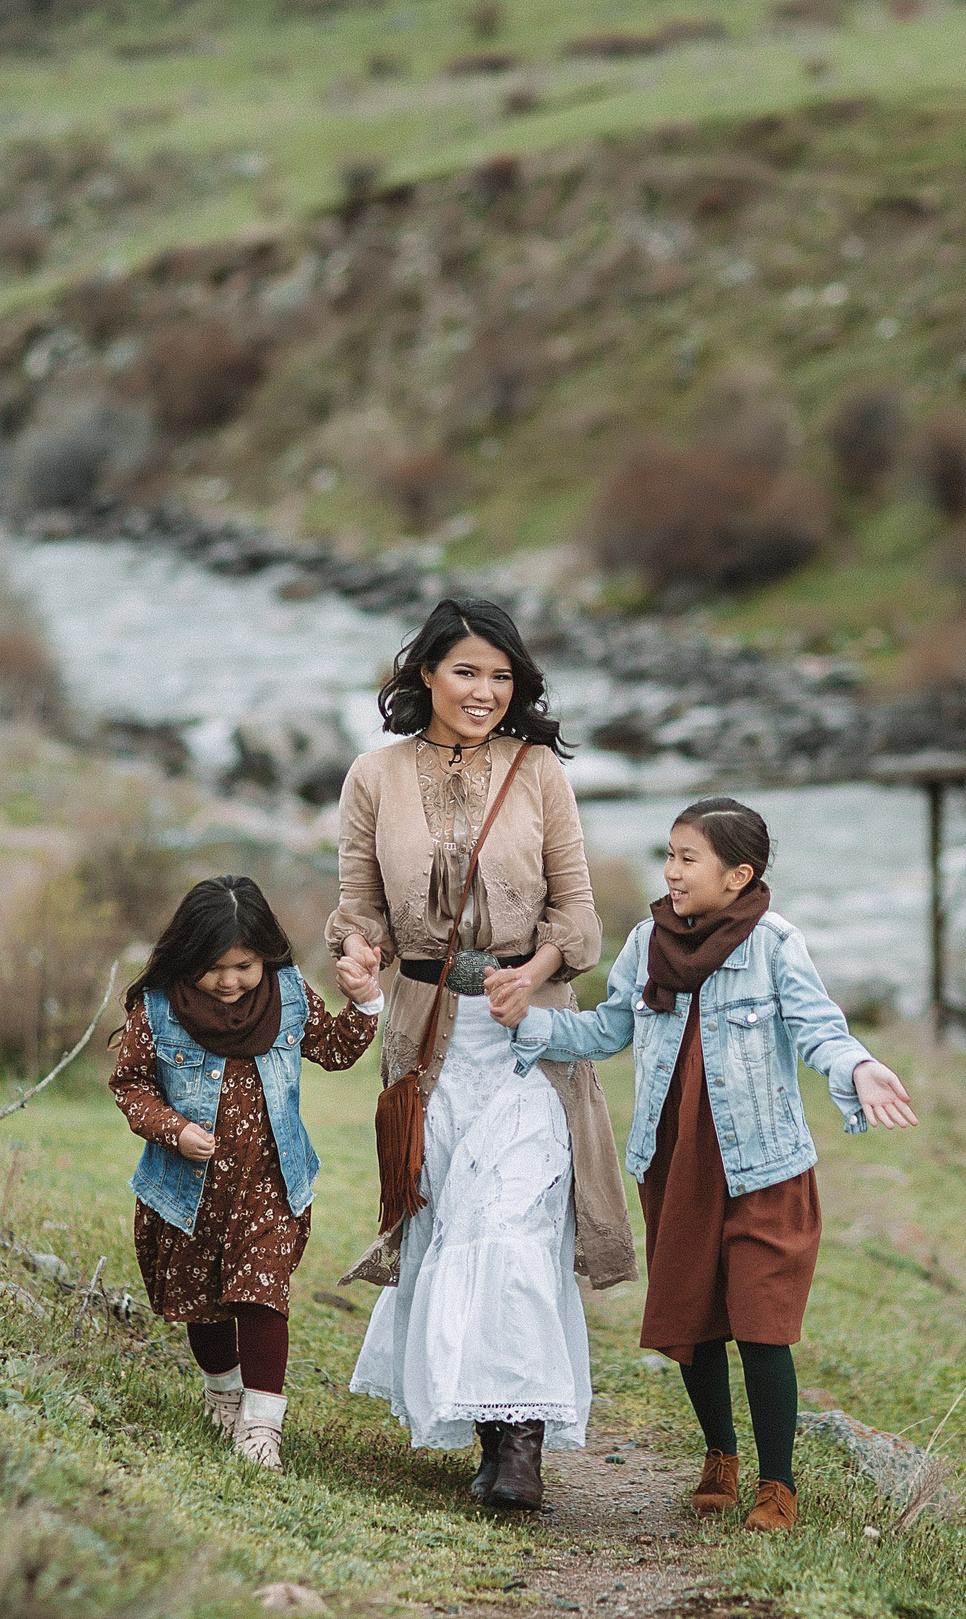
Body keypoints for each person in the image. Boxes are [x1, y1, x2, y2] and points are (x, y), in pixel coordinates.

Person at [497, 796, 918, 1533]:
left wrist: (859, 1067)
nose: (672, 869)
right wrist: (527, 1020)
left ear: (738, 874)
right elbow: (606, 1029)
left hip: (765, 1165)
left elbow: (819, 1028)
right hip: (678, 1160)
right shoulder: (645, 942)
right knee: (694, 1317)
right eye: (669, 853)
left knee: (762, 1322)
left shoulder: (776, 943)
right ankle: (719, 1456)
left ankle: (777, 1484)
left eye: (689, 857)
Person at [331, 597, 633, 1511]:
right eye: (467, 671)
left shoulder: (539, 772)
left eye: (502, 677)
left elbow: (579, 915)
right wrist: (355, 956)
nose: (486, 692)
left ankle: (517, 1450)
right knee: (449, 1223)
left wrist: (532, 968)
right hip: (426, 1041)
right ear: (424, 672)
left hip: (526, 1041)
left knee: (513, 1227)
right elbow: (359, 906)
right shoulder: (373, 776)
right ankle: (480, 1416)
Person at [109, 875, 385, 1471]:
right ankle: (224, 1390)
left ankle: (263, 1425)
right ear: (187, 958)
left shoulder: (287, 994)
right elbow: (129, 1084)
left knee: (262, 1296)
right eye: (214, 968)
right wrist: (171, 1128)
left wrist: (364, 1001)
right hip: (188, 1195)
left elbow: (335, 1051)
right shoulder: (159, 1009)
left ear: (266, 956)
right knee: (203, 1306)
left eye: (244, 965)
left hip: (271, 1185)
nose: (230, 981)